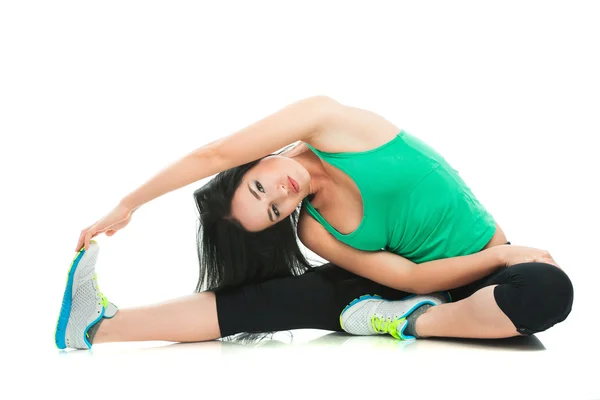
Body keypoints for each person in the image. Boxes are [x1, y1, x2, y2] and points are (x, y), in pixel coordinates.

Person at [55, 96, 573, 350]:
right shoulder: (315, 230)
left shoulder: (330, 123)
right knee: (280, 299)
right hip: (409, 288)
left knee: (548, 290)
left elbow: (212, 153)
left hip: (477, 272)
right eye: (274, 212)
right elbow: (410, 278)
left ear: (255, 161)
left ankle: (410, 319)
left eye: (261, 187)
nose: (280, 195)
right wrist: (503, 257)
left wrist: (130, 202)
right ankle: (96, 327)